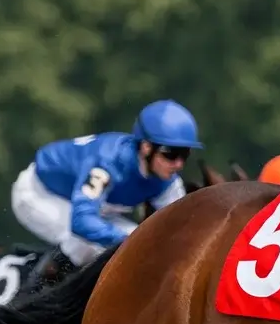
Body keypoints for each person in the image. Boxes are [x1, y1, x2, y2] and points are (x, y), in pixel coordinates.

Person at [11, 100, 202, 289]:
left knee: (137, 244)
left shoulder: (167, 180)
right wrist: (130, 242)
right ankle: (27, 301)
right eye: (170, 153)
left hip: (94, 208)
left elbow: (176, 231)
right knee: (85, 243)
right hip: (39, 194)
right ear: (146, 147)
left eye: (184, 154)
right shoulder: (107, 163)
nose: (178, 164)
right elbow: (82, 223)